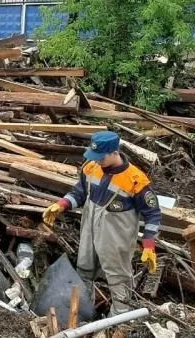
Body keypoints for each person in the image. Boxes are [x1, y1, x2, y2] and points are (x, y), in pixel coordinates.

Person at [43, 131, 161, 317]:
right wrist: (62, 205)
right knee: (84, 269)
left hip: (116, 237)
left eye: (101, 157)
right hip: (89, 231)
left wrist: (148, 244)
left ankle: (119, 321)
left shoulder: (135, 181)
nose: (97, 161)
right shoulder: (90, 168)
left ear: (115, 152)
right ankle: (83, 314)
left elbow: (152, 214)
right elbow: (80, 193)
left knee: (118, 278)